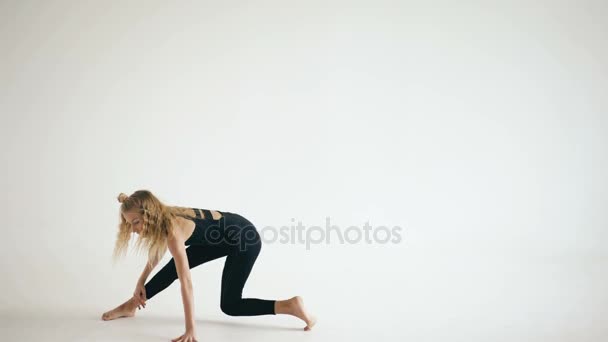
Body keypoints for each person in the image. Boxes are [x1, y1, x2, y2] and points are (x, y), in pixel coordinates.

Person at [101, 190, 316, 342]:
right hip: (224, 237)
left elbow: (186, 282)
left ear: (149, 215)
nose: (133, 229)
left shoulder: (174, 230)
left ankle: (289, 305)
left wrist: (190, 329)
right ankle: (131, 305)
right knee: (171, 269)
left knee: (230, 305)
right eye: (130, 225)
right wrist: (141, 280)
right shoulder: (164, 216)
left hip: (244, 239)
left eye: (135, 223)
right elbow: (157, 252)